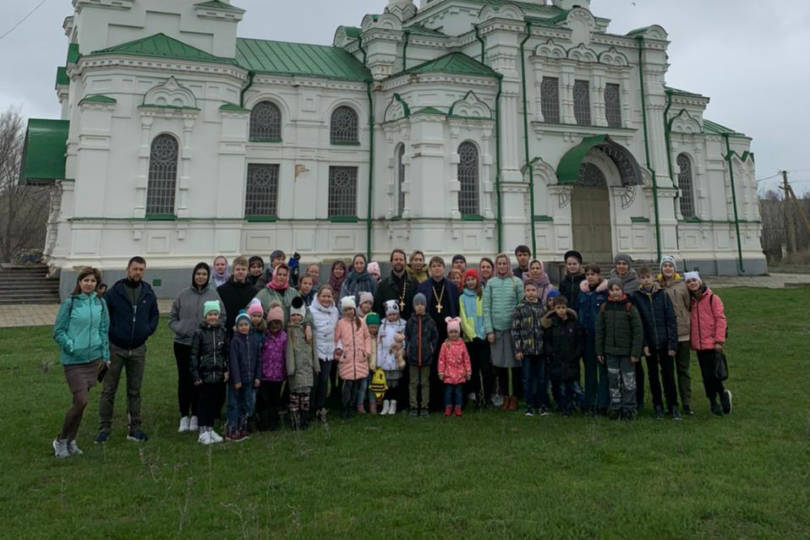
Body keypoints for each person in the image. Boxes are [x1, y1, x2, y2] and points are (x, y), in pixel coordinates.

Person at [97, 256, 159, 444]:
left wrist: (146, 331)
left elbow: (154, 315)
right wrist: (113, 333)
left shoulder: (148, 292)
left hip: (138, 348)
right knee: (109, 389)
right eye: (135, 269)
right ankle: (104, 428)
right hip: (116, 347)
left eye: (141, 269)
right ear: (127, 270)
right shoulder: (115, 292)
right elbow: (104, 316)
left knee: (134, 390)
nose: (137, 272)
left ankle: (134, 428)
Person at [52, 267, 109, 458]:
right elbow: (58, 331)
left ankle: (71, 440)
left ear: (97, 284)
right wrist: (71, 345)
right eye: (86, 280)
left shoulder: (100, 303)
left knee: (79, 403)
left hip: (93, 361)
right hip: (74, 361)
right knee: (82, 401)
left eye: (93, 281)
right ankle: (60, 440)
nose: (89, 284)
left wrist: (105, 355)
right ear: (79, 282)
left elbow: (103, 330)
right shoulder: (70, 303)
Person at [168, 263, 225, 435]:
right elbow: (172, 318)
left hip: (204, 347)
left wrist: (209, 331)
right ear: (193, 275)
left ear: (208, 277)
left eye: (204, 274)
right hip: (183, 344)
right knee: (184, 379)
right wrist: (183, 329)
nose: (200, 276)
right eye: (198, 273)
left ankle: (196, 415)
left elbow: (222, 316)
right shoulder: (182, 295)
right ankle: (184, 415)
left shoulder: (213, 295)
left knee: (199, 381)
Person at [632, 267, 679, 420]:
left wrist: (672, 344)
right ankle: (657, 405)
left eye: (647, 277)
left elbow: (671, 320)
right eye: (642, 277)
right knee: (653, 376)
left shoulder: (662, 295)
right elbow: (639, 323)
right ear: (639, 279)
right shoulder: (636, 297)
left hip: (665, 341)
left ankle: (673, 406)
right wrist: (644, 343)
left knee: (668, 375)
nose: (645, 280)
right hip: (650, 342)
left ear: (653, 277)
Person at [596, 279, 643, 420]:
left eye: (617, 289)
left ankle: (629, 408)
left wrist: (635, 352)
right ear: (608, 291)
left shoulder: (630, 307)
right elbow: (600, 330)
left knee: (628, 381)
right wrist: (599, 351)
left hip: (627, 353)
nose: (615, 292)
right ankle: (615, 407)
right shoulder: (605, 308)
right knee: (613, 381)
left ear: (622, 290)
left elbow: (638, 331)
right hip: (610, 352)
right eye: (612, 290)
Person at [686, 272, 731, 416]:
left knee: (715, 374)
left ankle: (722, 393)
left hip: (712, 343)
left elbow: (720, 319)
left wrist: (719, 341)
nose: (692, 283)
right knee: (706, 376)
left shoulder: (712, 298)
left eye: (694, 280)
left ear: (699, 281)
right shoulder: (690, 301)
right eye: (689, 282)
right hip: (699, 345)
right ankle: (713, 401)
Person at [483, 253, 524, 411]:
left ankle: (515, 397)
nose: (501, 266)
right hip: (497, 332)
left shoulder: (516, 283)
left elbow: (521, 306)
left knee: (514, 366)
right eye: (499, 264)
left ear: (508, 265)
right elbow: (486, 308)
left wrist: (519, 329)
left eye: (504, 263)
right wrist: (489, 331)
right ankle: (505, 396)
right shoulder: (491, 284)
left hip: (513, 332)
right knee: (500, 367)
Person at [418, 256, 460, 410]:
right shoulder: (423, 287)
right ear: (430, 269)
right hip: (430, 332)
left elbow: (456, 308)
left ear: (444, 268)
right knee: (433, 365)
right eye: (434, 266)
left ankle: (448, 401)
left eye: (439, 265)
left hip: (447, 332)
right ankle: (431, 401)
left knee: (449, 366)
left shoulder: (452, 287)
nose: (437, 268)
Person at [658, 256, 693, 415]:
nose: (667, 268)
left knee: (683, 369)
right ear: (661, 269)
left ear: (674, 268)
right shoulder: (657, 287)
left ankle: (687, 402)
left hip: (682, 334)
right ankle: (671, 403)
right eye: (664, 266)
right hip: (665, 335)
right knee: (667, 371)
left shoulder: (683, 286)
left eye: (670, 266)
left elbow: (689, 305)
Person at [191, 301, 228, 445]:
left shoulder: (222, 332)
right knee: (203, 403)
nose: (213, 317)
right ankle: (202, 430)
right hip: (203, 375)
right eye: (210, 314)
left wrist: (226, 370)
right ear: (205, 316)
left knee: (214, 402)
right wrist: (195, 374)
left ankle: (211, 428)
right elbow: (194, 354)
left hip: (217, 374)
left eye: (215, 314)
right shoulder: (199, 333)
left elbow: (225, 353)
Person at [542, 297, 585, 416]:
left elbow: (579, 341)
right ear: (554, 308)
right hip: (556, 360)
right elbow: (547, 341)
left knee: (574, 385)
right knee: (559, 386)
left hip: (571, 360)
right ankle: (563, 406)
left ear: (567, 308)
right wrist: (551, 353)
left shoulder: (574, 324)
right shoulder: (551, 325)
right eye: (558, 308)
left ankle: (581, 405)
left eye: (563, 308)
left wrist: (576, 354)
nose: (561, 310)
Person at [576, 264, 609, 415]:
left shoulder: (604, 293)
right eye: (587, 274)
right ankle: (589, 402)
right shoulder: (582, 293)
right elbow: (578, 311)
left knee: (603, 370)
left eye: (593, 274)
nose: (590, 276)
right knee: (589, 371)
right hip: (586, 336)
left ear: (599, 275)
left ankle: (603, 403)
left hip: (601, 336)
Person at [610, 253, 642, 406]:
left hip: (631, 330)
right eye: (618, 263)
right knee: (614, 374)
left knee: (633, 371)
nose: (621, 266)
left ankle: (635, 401)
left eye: (624, 263)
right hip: (615, 332)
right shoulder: (609, 281)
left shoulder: (635, 282)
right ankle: (616, 404)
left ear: (629, 266)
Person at [511, 281, 546, 416]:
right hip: (526, 350)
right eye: (528, 290)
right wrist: (518, 349)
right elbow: (515, 330)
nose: (531, 293)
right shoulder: (519, 308)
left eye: (533, 290)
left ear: (537, 292)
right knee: (527, 378)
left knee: (541, 378)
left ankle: (541, 404)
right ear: (524, 292)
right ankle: (529, 405)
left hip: (540, 349)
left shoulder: (542, 308)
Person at [334, 296, 371, 419]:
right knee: (347, 385)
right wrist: (339, 352)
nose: (349, 312)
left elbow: (367, 337)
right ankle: (344, 407)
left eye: (351, 309)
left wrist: (367, 351)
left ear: (354, 309)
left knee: (356, 384)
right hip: (347, 359)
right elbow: (336, 338)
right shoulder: (340, 323)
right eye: (346, 310)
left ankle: (352, 406)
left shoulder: (361, 322)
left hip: (359, 358)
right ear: (343, 311)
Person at [226, 311, 261, 441]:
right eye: (241, 325)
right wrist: (236, 379)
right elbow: (233, 362)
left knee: (247, 404)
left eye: (246, 324)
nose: (244, 327)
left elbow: (258, 360)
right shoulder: (235, 341)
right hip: (238, 380)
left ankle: (242, 428)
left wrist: (258, 377)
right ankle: (231, 429)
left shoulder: (254, 339)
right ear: (237, 326)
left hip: (250, 379)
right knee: (234, 404)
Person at [460, 269, 493, 407]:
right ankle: (478, 396)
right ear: (465, 282)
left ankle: (487, 396)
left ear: (477, 280)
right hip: (471, 340)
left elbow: (486, 314)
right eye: (468, 280)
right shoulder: (462, 298)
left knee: (486, 369)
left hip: (484, 337)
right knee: (473, 370)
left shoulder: (483, 294)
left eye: (472, 279)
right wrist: (472, 335)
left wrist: (485, 332)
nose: (470, 282)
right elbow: (463, 318)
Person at [286, 297, 319, 430]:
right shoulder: (290, 331)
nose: (296, 318)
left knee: (306, 395)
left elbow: (314, 349)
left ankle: (304, 419)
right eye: (293, 315)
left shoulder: (308, 331)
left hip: (307, 368)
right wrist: (291, 369)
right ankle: (295, 419)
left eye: (298, 315)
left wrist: (316, 365)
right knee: (295, 395)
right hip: (296, 369)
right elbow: (289, 351)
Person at [309, 285, 340, 424]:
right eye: (324, 296)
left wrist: (337, 347)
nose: (326, 299)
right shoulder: (310, 310)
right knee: (314, 382)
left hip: (329, 351)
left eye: (329, 296)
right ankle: (310, 408)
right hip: (315, 352)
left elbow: (337, 331)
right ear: (318, 296)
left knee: (323, 382)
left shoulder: (335, 311)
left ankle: (320, 409)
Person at [405, 293, 438, 417]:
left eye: (422, 304)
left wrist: (431, 349)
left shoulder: (430, 322)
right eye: (417, 304)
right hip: (413, 357)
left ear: (425, 306)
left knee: (425, 383)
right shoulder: (410, 322)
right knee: (413, 383)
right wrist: (408, 349)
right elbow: (407, 336)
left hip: (426, 358)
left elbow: (435, 337)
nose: (419, 307)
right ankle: (413, 406)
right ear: (413, 306)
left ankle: (424, 406)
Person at [256, 305, 287, 431]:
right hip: (264, 374)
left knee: (275, 399)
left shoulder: (284, 337)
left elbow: (286, 355)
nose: (275, 326)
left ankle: (274, 422)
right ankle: (263, 422)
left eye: (278, 323)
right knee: (264, 399)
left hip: (278, 375)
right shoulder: (264, 336)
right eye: (272, 323)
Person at [377, 300, 406, 415]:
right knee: (386, 383)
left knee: (395, 383)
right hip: (385, 358)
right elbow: (379, 344)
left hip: (396, 358)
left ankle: (393, 403)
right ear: (386, 314)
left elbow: (405, 342)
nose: (392, 316)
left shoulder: (402, 325)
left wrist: (400, 347)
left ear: (398, 313)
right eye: (390, 314)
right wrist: (379, 360)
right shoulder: (382, 325)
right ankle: (386, 403)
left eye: (394, 314)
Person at [438, 317, 472, 417]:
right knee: (448, 392)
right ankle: (448, 407)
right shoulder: (445, 345)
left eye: (456, 332)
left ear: (459, 332)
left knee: (458, 392)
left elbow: (466, 358)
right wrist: (441, 372)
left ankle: (458, 407)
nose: (453, 334)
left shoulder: (462, 345)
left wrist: (468, 371)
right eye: (451, 332)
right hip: (448, 374)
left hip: (460, 374)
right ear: (448, 333)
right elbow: (441, 359)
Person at [217, 256, 257, 339]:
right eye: (238, 269)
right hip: (227, 332)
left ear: (247, 271)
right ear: (233, 271)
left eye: (243, 269)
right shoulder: (222, 290)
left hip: (247, 332)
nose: (240, 272)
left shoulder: (253, 291)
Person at [373, 249, 419, 321]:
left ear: (405, 262)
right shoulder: (383, 285)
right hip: (389, 327)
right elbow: (378, 308)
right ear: (391, 262)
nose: (398, 262)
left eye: (401, 259)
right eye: (396, 259)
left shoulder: (414, 283)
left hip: (410, 326)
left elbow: (418, 306)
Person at [363, 312, 381, 414]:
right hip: (365, 366)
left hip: (375, 367)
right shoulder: (365, 338)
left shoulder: (379, 338)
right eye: (371, 327)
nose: (373, 330)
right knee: (363, 387)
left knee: (373, 387)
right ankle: (361, 404)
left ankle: (373, 405)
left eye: (375, 327)